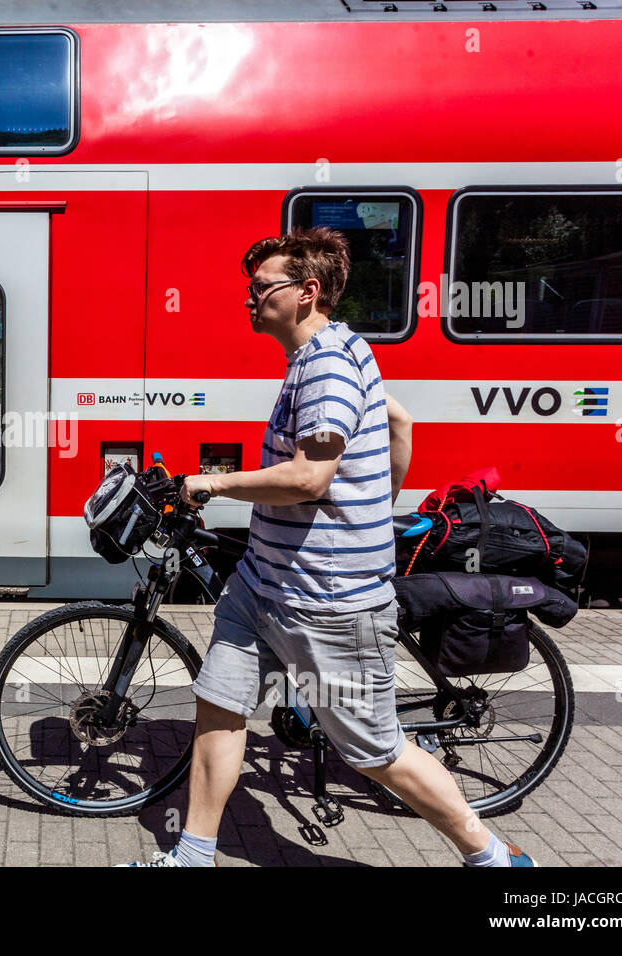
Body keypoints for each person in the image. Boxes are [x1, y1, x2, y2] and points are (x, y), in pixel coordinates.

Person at [125, 228, 536, 867]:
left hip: (326, 601)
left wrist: (207, 482)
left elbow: (308, 478)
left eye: (262, 289)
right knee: (220, 707)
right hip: (263, 585)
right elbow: (401, 423)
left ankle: (490, 856)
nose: (249, 300)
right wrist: (374, 512)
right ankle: (192, 856)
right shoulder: (341, 350)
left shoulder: (326, 367)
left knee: (373, 751)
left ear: (307, 292)